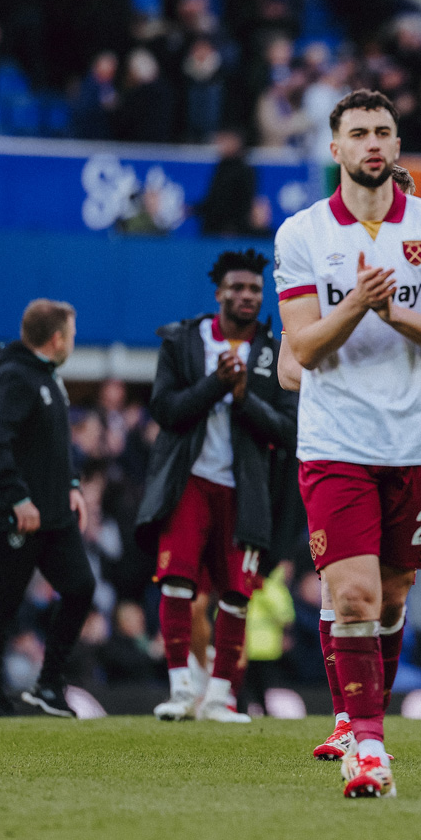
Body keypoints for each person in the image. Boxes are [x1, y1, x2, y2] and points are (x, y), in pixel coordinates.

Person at [274, 89, 421, 799]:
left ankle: (360, 721)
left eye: (383, 131)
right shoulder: (301, 234)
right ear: (336, 148)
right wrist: (356, 304)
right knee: (350, 593)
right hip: (335, 440)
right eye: (358, 133)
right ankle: (368, 747)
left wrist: (396, 309)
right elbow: (304, 347)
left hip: (416, 438)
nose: (373, 143)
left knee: (391, 594)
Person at [136, 250, 296, 724]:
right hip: (189, 482)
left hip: (246, 489)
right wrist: (215, 385)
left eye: (254, 290)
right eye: (238, 288)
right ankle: (182, 689)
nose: (247, 296)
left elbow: (289, 430)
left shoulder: (272, 351)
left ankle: (221, 696)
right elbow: (164, 411)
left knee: (236, 593)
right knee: (179, 582)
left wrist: (243, 398)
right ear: (219, 293)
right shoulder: (183, 341)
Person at [0, 300, 95, 718]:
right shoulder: (14, 377)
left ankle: (48, 683)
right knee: (3, 604)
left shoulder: (47, 378)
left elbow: (53, 446)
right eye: (73, 335)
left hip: (54, 515)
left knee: (80, 587)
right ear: (57, 338)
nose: (73, 343)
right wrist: (17, 497)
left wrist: (73, 485)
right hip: (20, 516)